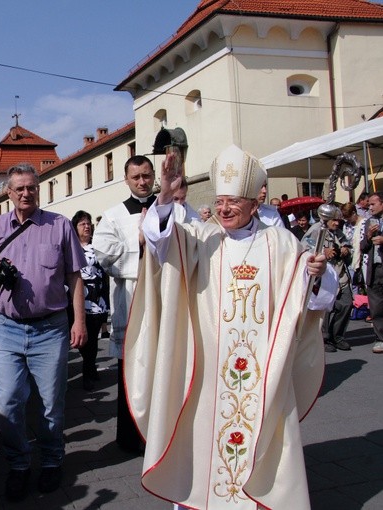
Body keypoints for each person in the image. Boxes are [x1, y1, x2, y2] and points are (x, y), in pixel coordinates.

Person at [130, 144, 337, 509]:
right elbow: (161, 242)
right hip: (208, 371)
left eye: (233, 202)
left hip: (261, 370)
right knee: (203, 438)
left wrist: (316, 275)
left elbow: (312, 295)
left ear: (255, 204)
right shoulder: (203, 237)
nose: (223, 210)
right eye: (220, 201)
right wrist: (164, 194)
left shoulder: (281, 243)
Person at [0, 163, 86, 501]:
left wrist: (79, 321)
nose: (26, 193)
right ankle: (19, 465)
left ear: (38, 190)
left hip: (50, 328)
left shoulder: (60, 226)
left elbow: (75, 277)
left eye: (31, 188)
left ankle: (53, 460)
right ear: (8, 193)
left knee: (51, 404)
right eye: (19, 188)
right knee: (8, 401)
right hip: (8, 329)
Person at [92, 155, 186, 453]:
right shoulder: (113, 215)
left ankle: (163, 435)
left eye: (147, 176)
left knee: (164, 367)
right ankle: (131, 437)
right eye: (136, 177)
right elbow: (104, 255)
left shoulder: (175, 210)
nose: (143, 182)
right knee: (132, 370)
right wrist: (140, 241)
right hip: (131, 300)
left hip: (165, 298)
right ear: (127, 180)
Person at [71, 211, 109, 391]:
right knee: (82, 339)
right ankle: (90, 366)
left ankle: (89, 372)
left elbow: (106, 269)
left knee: (92, 337)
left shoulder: (98, 246)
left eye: (88, 223)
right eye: (82, 224)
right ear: (75, 227)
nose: (87, 226)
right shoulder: (71, 248)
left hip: (96, 297)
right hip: (79, 296)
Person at [303, 216, 353, 352]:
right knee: (323, 307)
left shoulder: (339, 233)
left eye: (339, 221)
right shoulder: (316, 230)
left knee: (346, 304)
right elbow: (304, 248)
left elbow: (349, 247)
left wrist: (346, 250)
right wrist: (322, 251)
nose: (337, 223)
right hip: (323, 276)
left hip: (341, 274)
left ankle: (338, 336)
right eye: (334, 220)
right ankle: (323, 338)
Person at [361, 191, 383, 353]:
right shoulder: (369, 222)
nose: (370, 207)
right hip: (374, 269)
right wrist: (368, 237)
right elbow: (362, 247)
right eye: (368, 204)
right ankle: (380, 338)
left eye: (373, 204)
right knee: (376, 306)